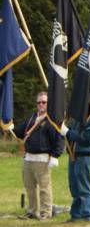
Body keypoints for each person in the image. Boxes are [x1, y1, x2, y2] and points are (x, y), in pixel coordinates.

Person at [13, 92, 63, 220]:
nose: (41, 104)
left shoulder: (51, 119)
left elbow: (58, 139)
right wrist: (8, 124)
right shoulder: (32, 117)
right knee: (30, 187)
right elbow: (19, 131)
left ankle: (46, 212)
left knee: (44, 188)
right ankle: (32, 211)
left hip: (42, 159)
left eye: (44, 102)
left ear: (48, 104)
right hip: (28, 158)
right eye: (39, 102)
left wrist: (55, 156)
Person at [60, 96, 90, 223]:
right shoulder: (77, 119)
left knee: (83, 185)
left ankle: (86, 214)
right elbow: (71, 132)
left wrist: (68, 133)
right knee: (74, 185)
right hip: (73, 155)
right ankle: (76, 214)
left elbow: (88, 138)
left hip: (84, 155)